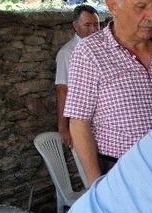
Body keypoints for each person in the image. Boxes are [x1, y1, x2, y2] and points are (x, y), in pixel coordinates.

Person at [65, 0, 152, 184]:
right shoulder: (90, 53)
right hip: (120, 172)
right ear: (113, 6)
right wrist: (95, 185)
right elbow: (79, 123)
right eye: (141, 7)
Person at [54, 4, 101, 147]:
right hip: (83, 122)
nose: (93, 30)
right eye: (87, 25)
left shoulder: (103, 48)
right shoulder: (67, 53)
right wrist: (63, 128)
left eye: (96, 24)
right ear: (75, 26)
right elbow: (62, 90)